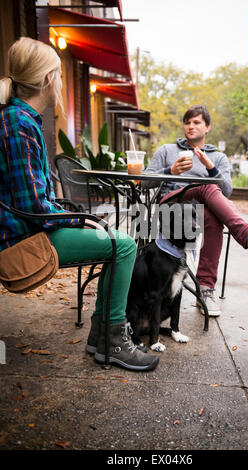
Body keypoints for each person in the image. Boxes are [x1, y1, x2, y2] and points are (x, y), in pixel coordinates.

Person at [0, 37, 158, 372]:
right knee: (126, 245)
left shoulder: (19, 118)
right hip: (23, 241)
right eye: (58, 75)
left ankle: (102, 338)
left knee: (116, 243)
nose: (59, 82)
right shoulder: (19, 124)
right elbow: (36, 209)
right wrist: (78, 219)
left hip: (28, 228)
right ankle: (111, 341)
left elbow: (34, 200)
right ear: (47, 80)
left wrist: (76, 217)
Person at [142, 105, 248, 316]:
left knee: (213, 214)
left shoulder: (219, 157)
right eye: (187, 122)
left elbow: (228, 191)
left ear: (207, 127)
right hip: (171, 210)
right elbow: (143, 182)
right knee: (206, 186)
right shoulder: (167, 151)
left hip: (201, 214)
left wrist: (211, 168)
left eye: (196, 122)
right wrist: (170, 171)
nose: (191, 126)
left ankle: (205, 290)